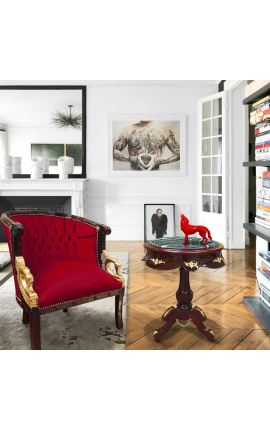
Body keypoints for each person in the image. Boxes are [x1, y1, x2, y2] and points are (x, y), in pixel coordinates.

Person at [113, 120, 180, 171]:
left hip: (156, 177)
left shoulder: (165, 131)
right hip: (134, 176)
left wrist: (159, 161)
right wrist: (133, 159)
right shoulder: (128, 130)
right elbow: (113, 152)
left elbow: (180, 153)